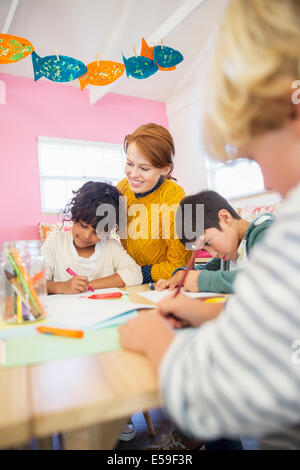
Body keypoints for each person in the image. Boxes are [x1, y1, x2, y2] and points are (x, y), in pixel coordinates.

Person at [118, 0, 300, 450]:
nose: (269, 180)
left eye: (256, 154)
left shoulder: (275, 231)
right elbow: (265, 309)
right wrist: (201, 308)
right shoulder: (122, 194)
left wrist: (159, 341)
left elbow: (225, 394)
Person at [156, 190, 274, 293]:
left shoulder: (265, 232)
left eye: (207, 243)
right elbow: (206, 270)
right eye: (203, 249)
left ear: (225, 218)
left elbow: (266, 275)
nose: (212, 254)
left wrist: (203, 281)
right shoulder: (228, 253)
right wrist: (182, 274)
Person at [117, 123, 190, 284]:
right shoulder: (122, 188)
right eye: (129, 164)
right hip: (129, 279)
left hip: (161, 283)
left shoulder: (175, 198)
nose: (133, 174)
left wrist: (135, 274)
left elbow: (179, 266)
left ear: (165, 169)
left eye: (144, 168)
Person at [42, 181, 142, 294]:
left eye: (97, 232)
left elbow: (135, 274)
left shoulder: (110, 246)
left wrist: (88, 285)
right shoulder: (55, 241)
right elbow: (36, 283)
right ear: (74, 217)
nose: (87, 236)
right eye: (83, 226)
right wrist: (62, 287)